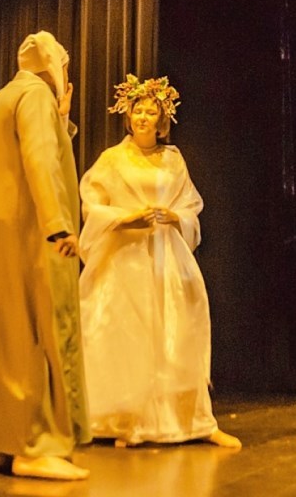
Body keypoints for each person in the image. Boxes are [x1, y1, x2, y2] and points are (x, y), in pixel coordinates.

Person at [78, 74, 241, 448]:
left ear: (161, 120)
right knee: (128, 335)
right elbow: (92, 206)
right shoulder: (111, 160)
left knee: (176, 334)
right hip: (125, 258)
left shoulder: (173, 160)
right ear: (128, 115)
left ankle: (195, 421)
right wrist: (125, 218)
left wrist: (175, 217)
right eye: (138, 110)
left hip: (166, 257)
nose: (142, 117)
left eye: (150, 112)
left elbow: (191, 205)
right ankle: (127, 420)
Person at [0, 31, 91, 480]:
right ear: (55, 68)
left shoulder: (2, 99)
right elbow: (41, 160)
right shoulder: (36, 97)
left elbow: (33, 148)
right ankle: (36, 446)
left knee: (6, 337)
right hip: (35, 236)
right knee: (40, 330)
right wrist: (58, 225)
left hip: (3, 239)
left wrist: (62, 117)